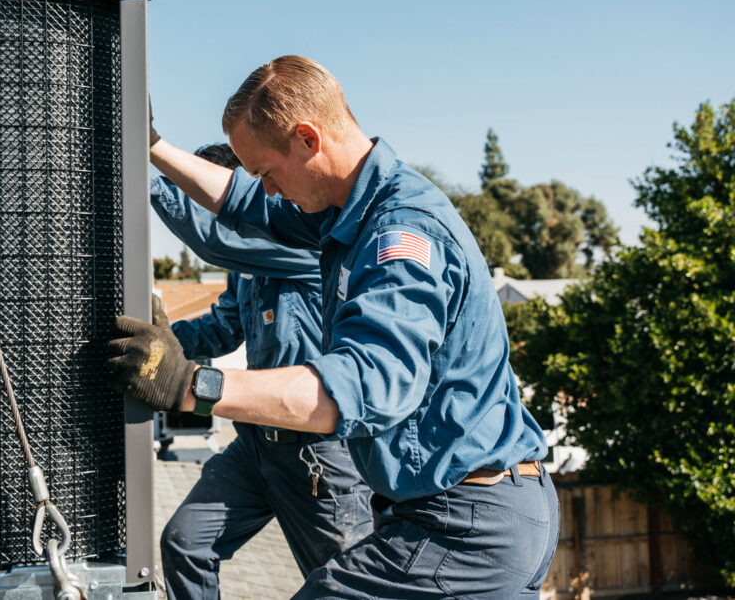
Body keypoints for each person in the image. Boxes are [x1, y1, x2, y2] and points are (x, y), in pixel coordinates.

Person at [109, 56, 559, 598]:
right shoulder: (348, 214)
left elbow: (364, 386)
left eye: (267, 172)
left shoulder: (401, 236)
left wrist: (189, 385)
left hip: (466, 525)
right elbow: (242, 204)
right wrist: (152, 144)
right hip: (456, 513)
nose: (268, 190)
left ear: (307, 139)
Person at [151, 142, 372, 600]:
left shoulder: (300, 243)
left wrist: (143, 171)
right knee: (186, 543)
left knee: (344, 589)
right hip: (256, 446)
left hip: (318, 457)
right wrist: (163, 342)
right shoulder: (246, 267)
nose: (208, 214)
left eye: (210, 200)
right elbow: (225, 326)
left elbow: (217, 239)